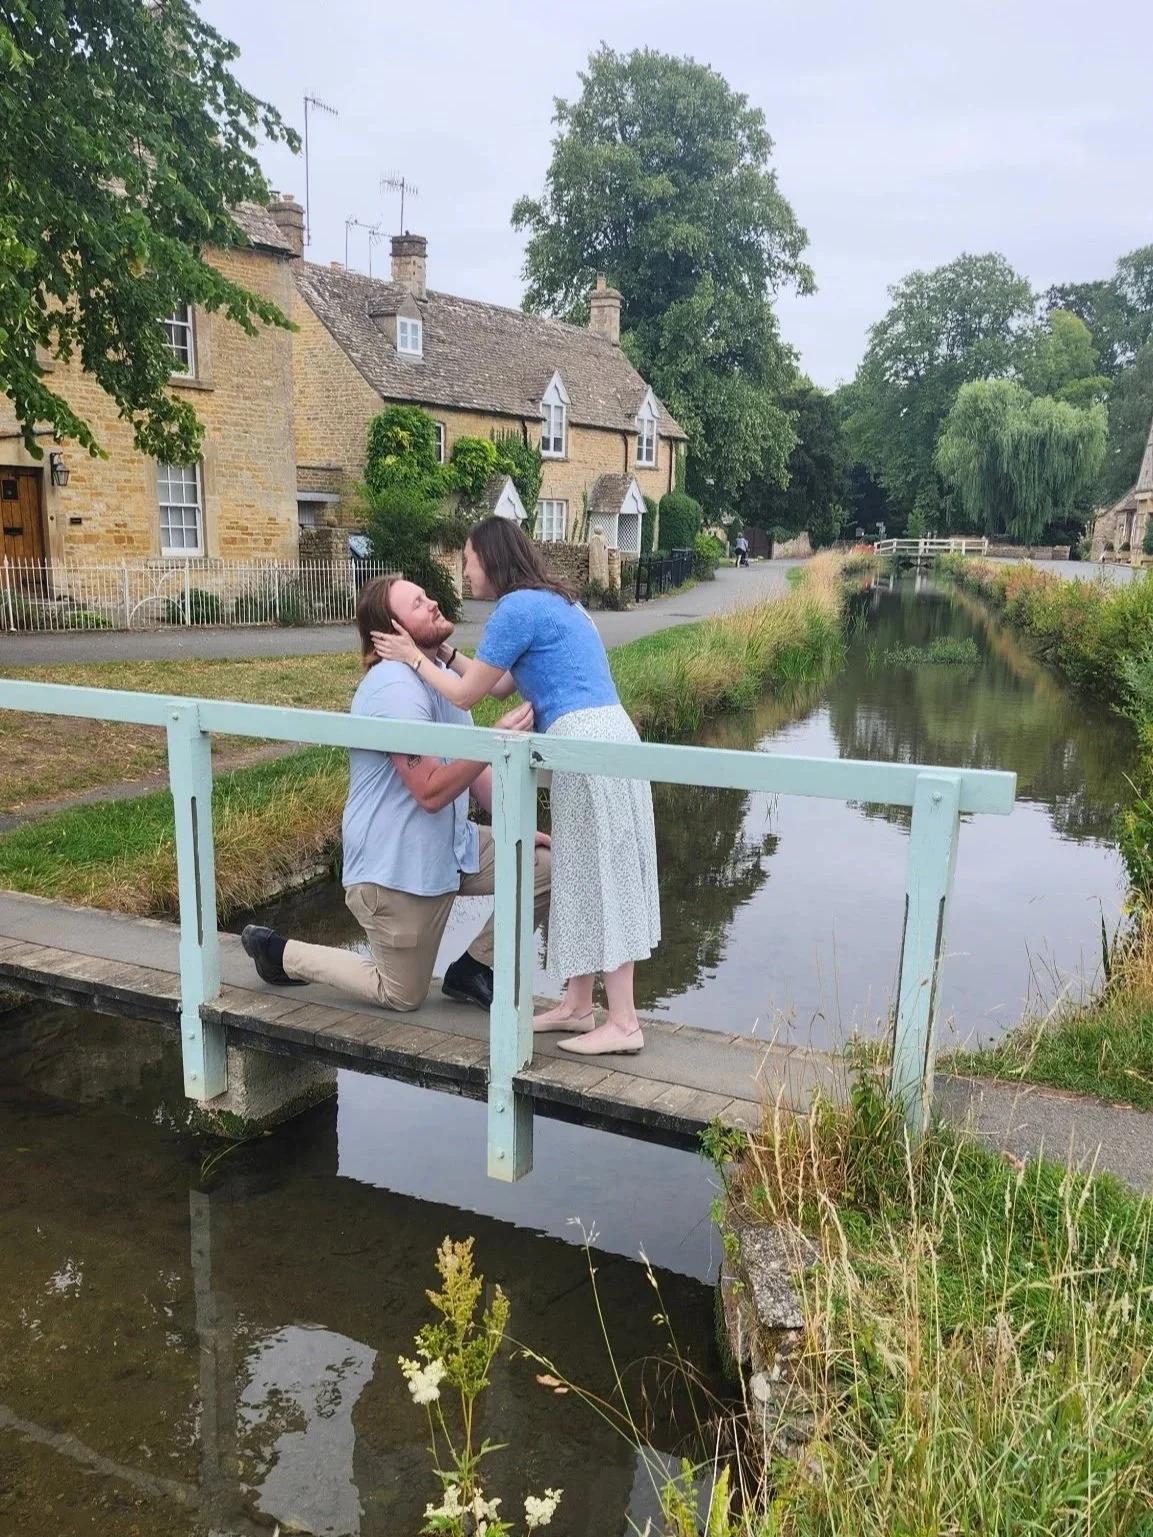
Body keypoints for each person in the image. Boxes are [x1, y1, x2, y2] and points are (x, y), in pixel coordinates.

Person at [373, 517, 660, 1057]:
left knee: (602, 875)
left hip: (586, 746)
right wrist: (445, 656)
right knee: (579, 871)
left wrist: (414, 658)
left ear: (490, 558)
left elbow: (466, 697)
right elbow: (502, 683)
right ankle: (578, 1006)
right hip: (605, 738)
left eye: (468, 560)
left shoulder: (515, 608)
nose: (464, 572)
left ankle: (624, 1022)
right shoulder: (553, 600)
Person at [239, 574, 552, 1013]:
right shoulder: (393, 689)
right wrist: (493, 743)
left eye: (426, 596)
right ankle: (279, 952)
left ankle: (476, 969)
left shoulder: (441, 677)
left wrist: (514, 828)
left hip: (451, 850)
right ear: (392, 631)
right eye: (417, 603)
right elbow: (429, 791)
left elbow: (477, 778)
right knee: (403, 995)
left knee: (545, 866)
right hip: (397, 871)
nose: (433, 603)